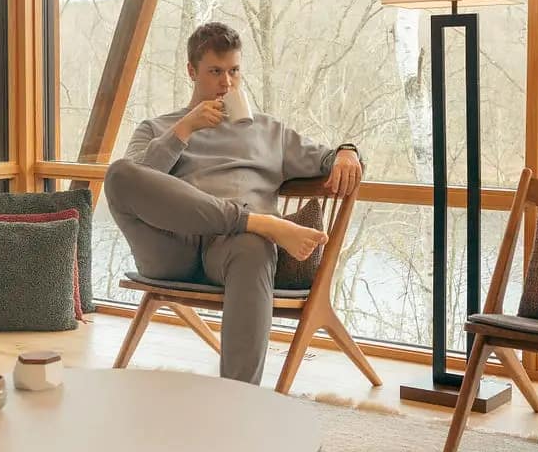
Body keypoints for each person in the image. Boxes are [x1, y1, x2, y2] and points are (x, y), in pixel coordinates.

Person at [104, 22, 362, 385]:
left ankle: (240, 396)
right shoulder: (156, 127)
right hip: (170, 248)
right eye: (215, 72)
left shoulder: (270, 132)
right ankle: (259, 221)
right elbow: (138, 182)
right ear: (192, 72)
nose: (226, 83)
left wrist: (348, 152)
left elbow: (328, 158)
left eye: (234, 71)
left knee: (254, 245)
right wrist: (183, 131)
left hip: (228, 251)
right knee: (118, 173)